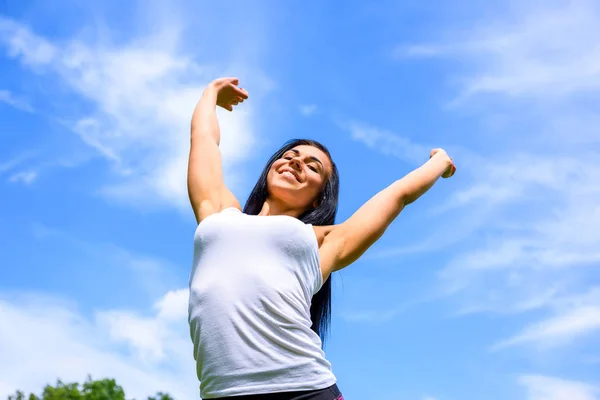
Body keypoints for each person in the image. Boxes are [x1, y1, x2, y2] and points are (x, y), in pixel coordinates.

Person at [187, 77, 456, 400]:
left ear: (318, 199)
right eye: (289, 155)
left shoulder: (322, 241)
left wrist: (439, 163)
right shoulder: (218, 211)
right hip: (223, 394)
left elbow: (398, 195)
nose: (296, 161)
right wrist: (211, 94)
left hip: (304, 390)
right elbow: (203, 141)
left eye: (312, 167)